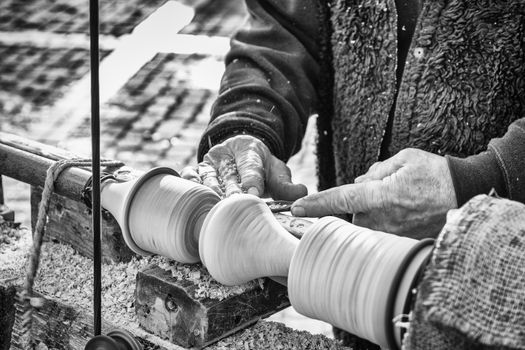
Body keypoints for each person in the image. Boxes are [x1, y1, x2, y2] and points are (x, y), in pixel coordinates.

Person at [182, 0, 525, 347]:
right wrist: (250, 123)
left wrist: (483, 179)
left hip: (496, 292)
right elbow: (284, 27)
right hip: (354, 286)